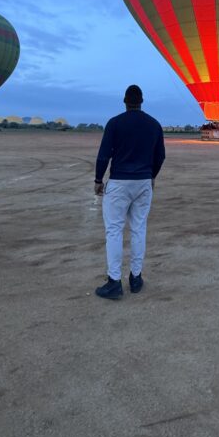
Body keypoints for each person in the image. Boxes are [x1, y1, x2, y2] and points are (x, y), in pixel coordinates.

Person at [94, 84, 165, 300]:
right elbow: (160, 156)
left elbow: (104, 155)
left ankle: (114, 281)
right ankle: (136, 278)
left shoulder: (115, 123)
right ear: (142, 101)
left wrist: (98, 179)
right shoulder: (154, 124)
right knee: (138, 229)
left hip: (119, 181)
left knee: (114, 230)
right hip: (143, 182)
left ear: (125, 101)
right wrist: (151, 175)